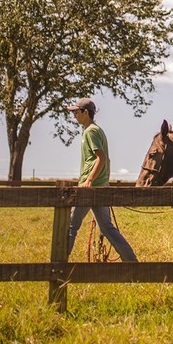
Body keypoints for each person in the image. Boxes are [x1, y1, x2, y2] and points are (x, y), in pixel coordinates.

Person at [65, 97, 138, 262]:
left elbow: (101, 158)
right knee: (106, 228)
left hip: (89, 188)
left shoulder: (90, 131)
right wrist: (103, 182)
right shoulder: (95, 130)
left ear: (85, 112)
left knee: (70, 226)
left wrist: (89, 180)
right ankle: (132, 262)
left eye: (76, 112)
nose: (74, 115)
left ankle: (58, 265)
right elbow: (106, 160)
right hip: (99, 186)